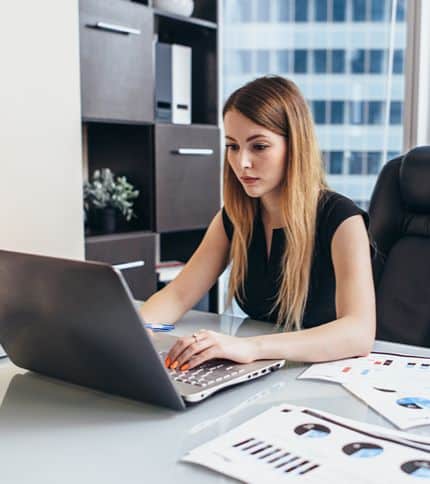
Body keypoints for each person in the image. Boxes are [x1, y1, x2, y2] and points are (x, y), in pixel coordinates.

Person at [141, 75, 376, 372]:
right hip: (264, 371)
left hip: (324, 374)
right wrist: (137, 331)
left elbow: (359, 333)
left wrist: (250, 348)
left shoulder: (342, 219)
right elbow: (178, 295)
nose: (242, 163)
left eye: (259, 146)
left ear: (295, 146)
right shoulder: (236, 217)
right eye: (233, 146)